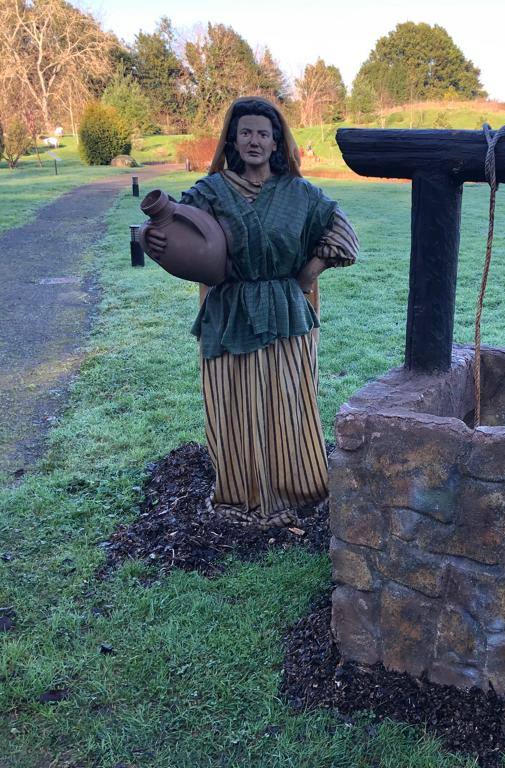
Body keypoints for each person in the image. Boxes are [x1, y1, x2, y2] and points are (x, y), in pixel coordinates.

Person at [144, 96, 358, 528]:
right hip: (228, 312)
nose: (254, 141)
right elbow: (179, 228)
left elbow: (342, 231)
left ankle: (300, 487)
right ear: (234, 139)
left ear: (275, 139)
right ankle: (241, 491)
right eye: (246, 133)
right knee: (231, 401)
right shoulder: (211, 192)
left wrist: (307, 273)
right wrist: (156, 242)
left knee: (289, 399)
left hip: (285, 311)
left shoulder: (299, 193)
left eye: (263, 132)